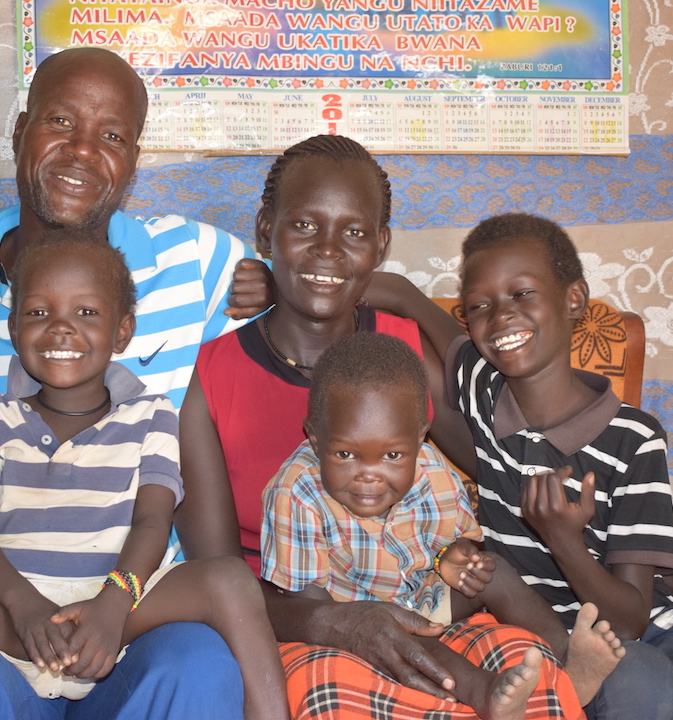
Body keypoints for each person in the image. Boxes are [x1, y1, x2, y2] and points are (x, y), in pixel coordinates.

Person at [0, 47, 267, 719]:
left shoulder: (204, 264)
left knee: (199, 666)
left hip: (137, 625)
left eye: (112, 135)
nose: (82, 151)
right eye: (60, 121)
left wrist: (275, 284)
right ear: (18, 132)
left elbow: (323, 284)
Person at [178, 135, 590, 720]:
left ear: (380, 245)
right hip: (289, 626)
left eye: (354, 232)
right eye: (303, 226)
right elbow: (216, 576)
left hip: (421, 600)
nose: (327, 251)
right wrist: (335, 622)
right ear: (266, 231)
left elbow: (508, 473)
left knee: (529, 672)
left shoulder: (402, 354)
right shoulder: (211, 377)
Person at [0, 235, 288, 720]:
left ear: (123, 331)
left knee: (228, 579)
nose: (60, 329)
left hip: (123, 604)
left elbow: (153, 522)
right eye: (37, 313)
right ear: (13, 328)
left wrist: (113, 604)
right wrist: (25, 606)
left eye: (87, 313)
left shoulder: (152, 415)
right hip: (11, 609)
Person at [442, 213, 673, 720]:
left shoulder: (635, 439)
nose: (502, 317)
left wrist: (562, 539)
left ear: (573, 299)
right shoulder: (482, 393)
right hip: (551, 641)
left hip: (642, 631)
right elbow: (410, 344)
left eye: (522, 294)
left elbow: (629, 622)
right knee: (635, 681)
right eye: (479, 308)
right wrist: (397, 291)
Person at [261, 332, 628, 718]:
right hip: (354, 622)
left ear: (419, 439)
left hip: (426, 598)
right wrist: (390, 627)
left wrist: (454, 560)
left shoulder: (432, 472)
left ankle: (566, 658)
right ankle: (483, 692)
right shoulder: (296, 493)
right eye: (345, 454)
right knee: (396, 629)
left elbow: (456, 546)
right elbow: (314, 610)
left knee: (497, 573)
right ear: (315, 440)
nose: (369, 476)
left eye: (392, 455)